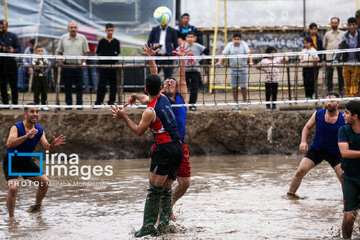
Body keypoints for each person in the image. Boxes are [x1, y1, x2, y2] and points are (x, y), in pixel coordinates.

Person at [110, 71, 183, 237]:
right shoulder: (163, 98)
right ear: (160, 88)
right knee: (166, 188)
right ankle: (164, 225)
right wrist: (135, 96)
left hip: (164, 149)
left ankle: (148, 226)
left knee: (154, 189)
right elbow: (147, 99)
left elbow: (138, 131)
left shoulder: (149, 111)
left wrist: (124, 116)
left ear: (146, 89)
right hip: (178, 149)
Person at [126, 43, 191, 223]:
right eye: (166, 82)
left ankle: (169, 204)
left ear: (178, 88)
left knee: (185, 183)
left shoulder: (180, 99)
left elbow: (182, 77)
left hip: (179, 145)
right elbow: (154, 78)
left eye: (173, 82)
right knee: (159, 184)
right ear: (162, 88)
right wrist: (150, 57)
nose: (170, 82)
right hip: (163, 144)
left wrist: (182, 59)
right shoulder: (160, 99)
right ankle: (158, 217)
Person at [3, 105, 66, 217]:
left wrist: (53, 145)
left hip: (26, 161)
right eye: (32, 111)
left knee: (45, 182)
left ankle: (37, 206)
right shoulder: (16, 127)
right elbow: (9, 143)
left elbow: (47, 148)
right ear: (25, 114)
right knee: (13, 188)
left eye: (37, 112)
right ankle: (11, 220)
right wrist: (26, 136)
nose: (35, 114)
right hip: (12, 161)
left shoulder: (39, 130)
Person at [287, 91, 344, 199]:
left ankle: (347, 201)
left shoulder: (343, 118)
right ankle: (290, 196)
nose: (329, 103)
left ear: (338, 103)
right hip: (316, 150)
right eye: (327, 100)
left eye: (332, 100)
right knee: (300, 171)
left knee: (343, 177)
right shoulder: (318, 114)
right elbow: (306, 127)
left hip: (335, 152)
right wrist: (303, 141)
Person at [338, 100, 360, 239]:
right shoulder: (343, 130)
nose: (343, 115)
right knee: (348, 217)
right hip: (350, 178)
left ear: (355, 116)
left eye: (346, 113)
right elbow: (345, 152)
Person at [216, 32, 253, 111]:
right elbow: (223, 54)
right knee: (234, 88)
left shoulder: (244, 44)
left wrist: (250, 62)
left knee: (243, 87)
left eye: (238, 39)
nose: (236, 41)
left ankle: (245, 103)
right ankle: (236, 103)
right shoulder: (229, 45)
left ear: (240, 40)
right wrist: (219, 62)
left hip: (243, 69)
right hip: (232, 69)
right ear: (233, 39)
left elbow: (248, 54)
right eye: (235, 39)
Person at [57, 21, 89, 108]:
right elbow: (59, 52)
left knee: (79, 87)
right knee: (67, 87)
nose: (73, 29)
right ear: (68, 29)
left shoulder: (83, 38)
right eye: (71, 27)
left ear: (77, 29)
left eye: (75, 27)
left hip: (78, 66)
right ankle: (69, 105)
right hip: (67, 66)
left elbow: (86, 52)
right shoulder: (63, 38)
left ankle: (79, 105)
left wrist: (83, 62)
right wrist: (60, 62)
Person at [177, 31, 208, 111]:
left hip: (195, 70)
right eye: (188, 37)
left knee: (194, 88)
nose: (190, 39)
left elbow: (207, 51)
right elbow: (175, 53)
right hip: (185, 70)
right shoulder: (183, 46)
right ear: (185, 38)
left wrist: (199, 59)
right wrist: (180, 61)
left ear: (195, 38)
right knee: (182, 88)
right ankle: (182, 104)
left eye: (191, 37)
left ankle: (192, 104)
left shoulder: (198, 46)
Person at [95, 23, 120, 105]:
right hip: (103, 67)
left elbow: (118, 54)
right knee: (102, 85)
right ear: (106, 31)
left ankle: (111, 101)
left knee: (113, 85)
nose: (110, 32)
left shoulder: (116, 42)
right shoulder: (102, 41)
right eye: (108, 30)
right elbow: (98, 53)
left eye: (111, 30)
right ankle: (99, 101)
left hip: (113, 68)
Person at [257, 46, 288, 111]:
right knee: (268, 93)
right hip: (267, 80)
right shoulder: (264, 60)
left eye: (274, 53)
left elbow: (286, 59)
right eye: (272, 53)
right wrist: (264, 69)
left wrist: (283, 55)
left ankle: (274, 105)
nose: (273, 55)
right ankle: (268, 106)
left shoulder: (277, 59)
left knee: (274, 93)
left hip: (275, 79)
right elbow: (257, 66)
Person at [336, 17, 360, 98]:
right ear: (347, 26)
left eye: (353, 25)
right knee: (347, 82)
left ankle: (352, 98)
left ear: (357, 25)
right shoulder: (344, 36)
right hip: (346, 62)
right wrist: (337, 58)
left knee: (355, 82)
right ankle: (351, 97)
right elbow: (340, 47)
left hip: (357, 62)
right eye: (350, 25)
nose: (352, 27)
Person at [0, 20, 21, 105]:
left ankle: (15, 103)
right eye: (0, 26)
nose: (2, 28)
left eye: (3, 26)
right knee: (2, 85)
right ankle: (5, 103)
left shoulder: (13, 36)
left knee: (13, 85)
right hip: (1, 64)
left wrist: (13, 50)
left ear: (7, 27)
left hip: (11, 64)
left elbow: (19, 49)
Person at [323, 17, 344, 93]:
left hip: (339, 57)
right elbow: (324, 45)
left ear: (338, 23)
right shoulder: (327, 34)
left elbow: (344, 44)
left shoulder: (342, 34)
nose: (334, 24)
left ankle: (341, 89)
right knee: (329, 75)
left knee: (341, 74)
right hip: (329, 57)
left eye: (335, 23)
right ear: (330, 24)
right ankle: (330, 90)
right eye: (333, 23)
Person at [32, 44, 49, 110]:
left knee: (44, 91)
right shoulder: (34, 58)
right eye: (38, 51)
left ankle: (44, 104)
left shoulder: (45, 58)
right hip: (36, 77)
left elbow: (46, 65)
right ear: (36, 52)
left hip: (43, 77)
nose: (40, 52)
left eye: (41, 51)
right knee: (36, 91)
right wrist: (39, 62)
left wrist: (41, 66)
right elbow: (35, 67)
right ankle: (36, 104)